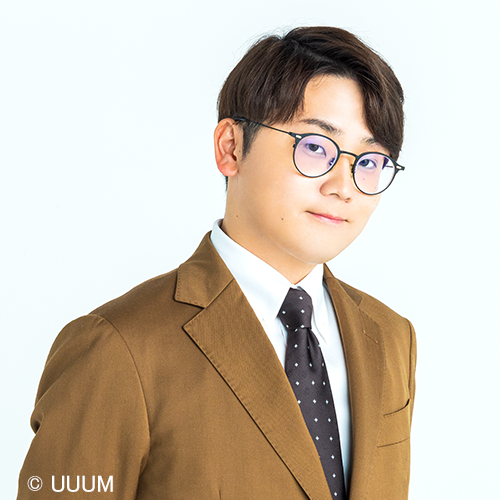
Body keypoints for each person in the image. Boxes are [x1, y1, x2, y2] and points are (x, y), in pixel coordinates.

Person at [18, 26, 416, 500]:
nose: (344, 186)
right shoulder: (118, 348)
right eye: (315, 147)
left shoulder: (391, 337)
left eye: (369, 161)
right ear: (231, 147)